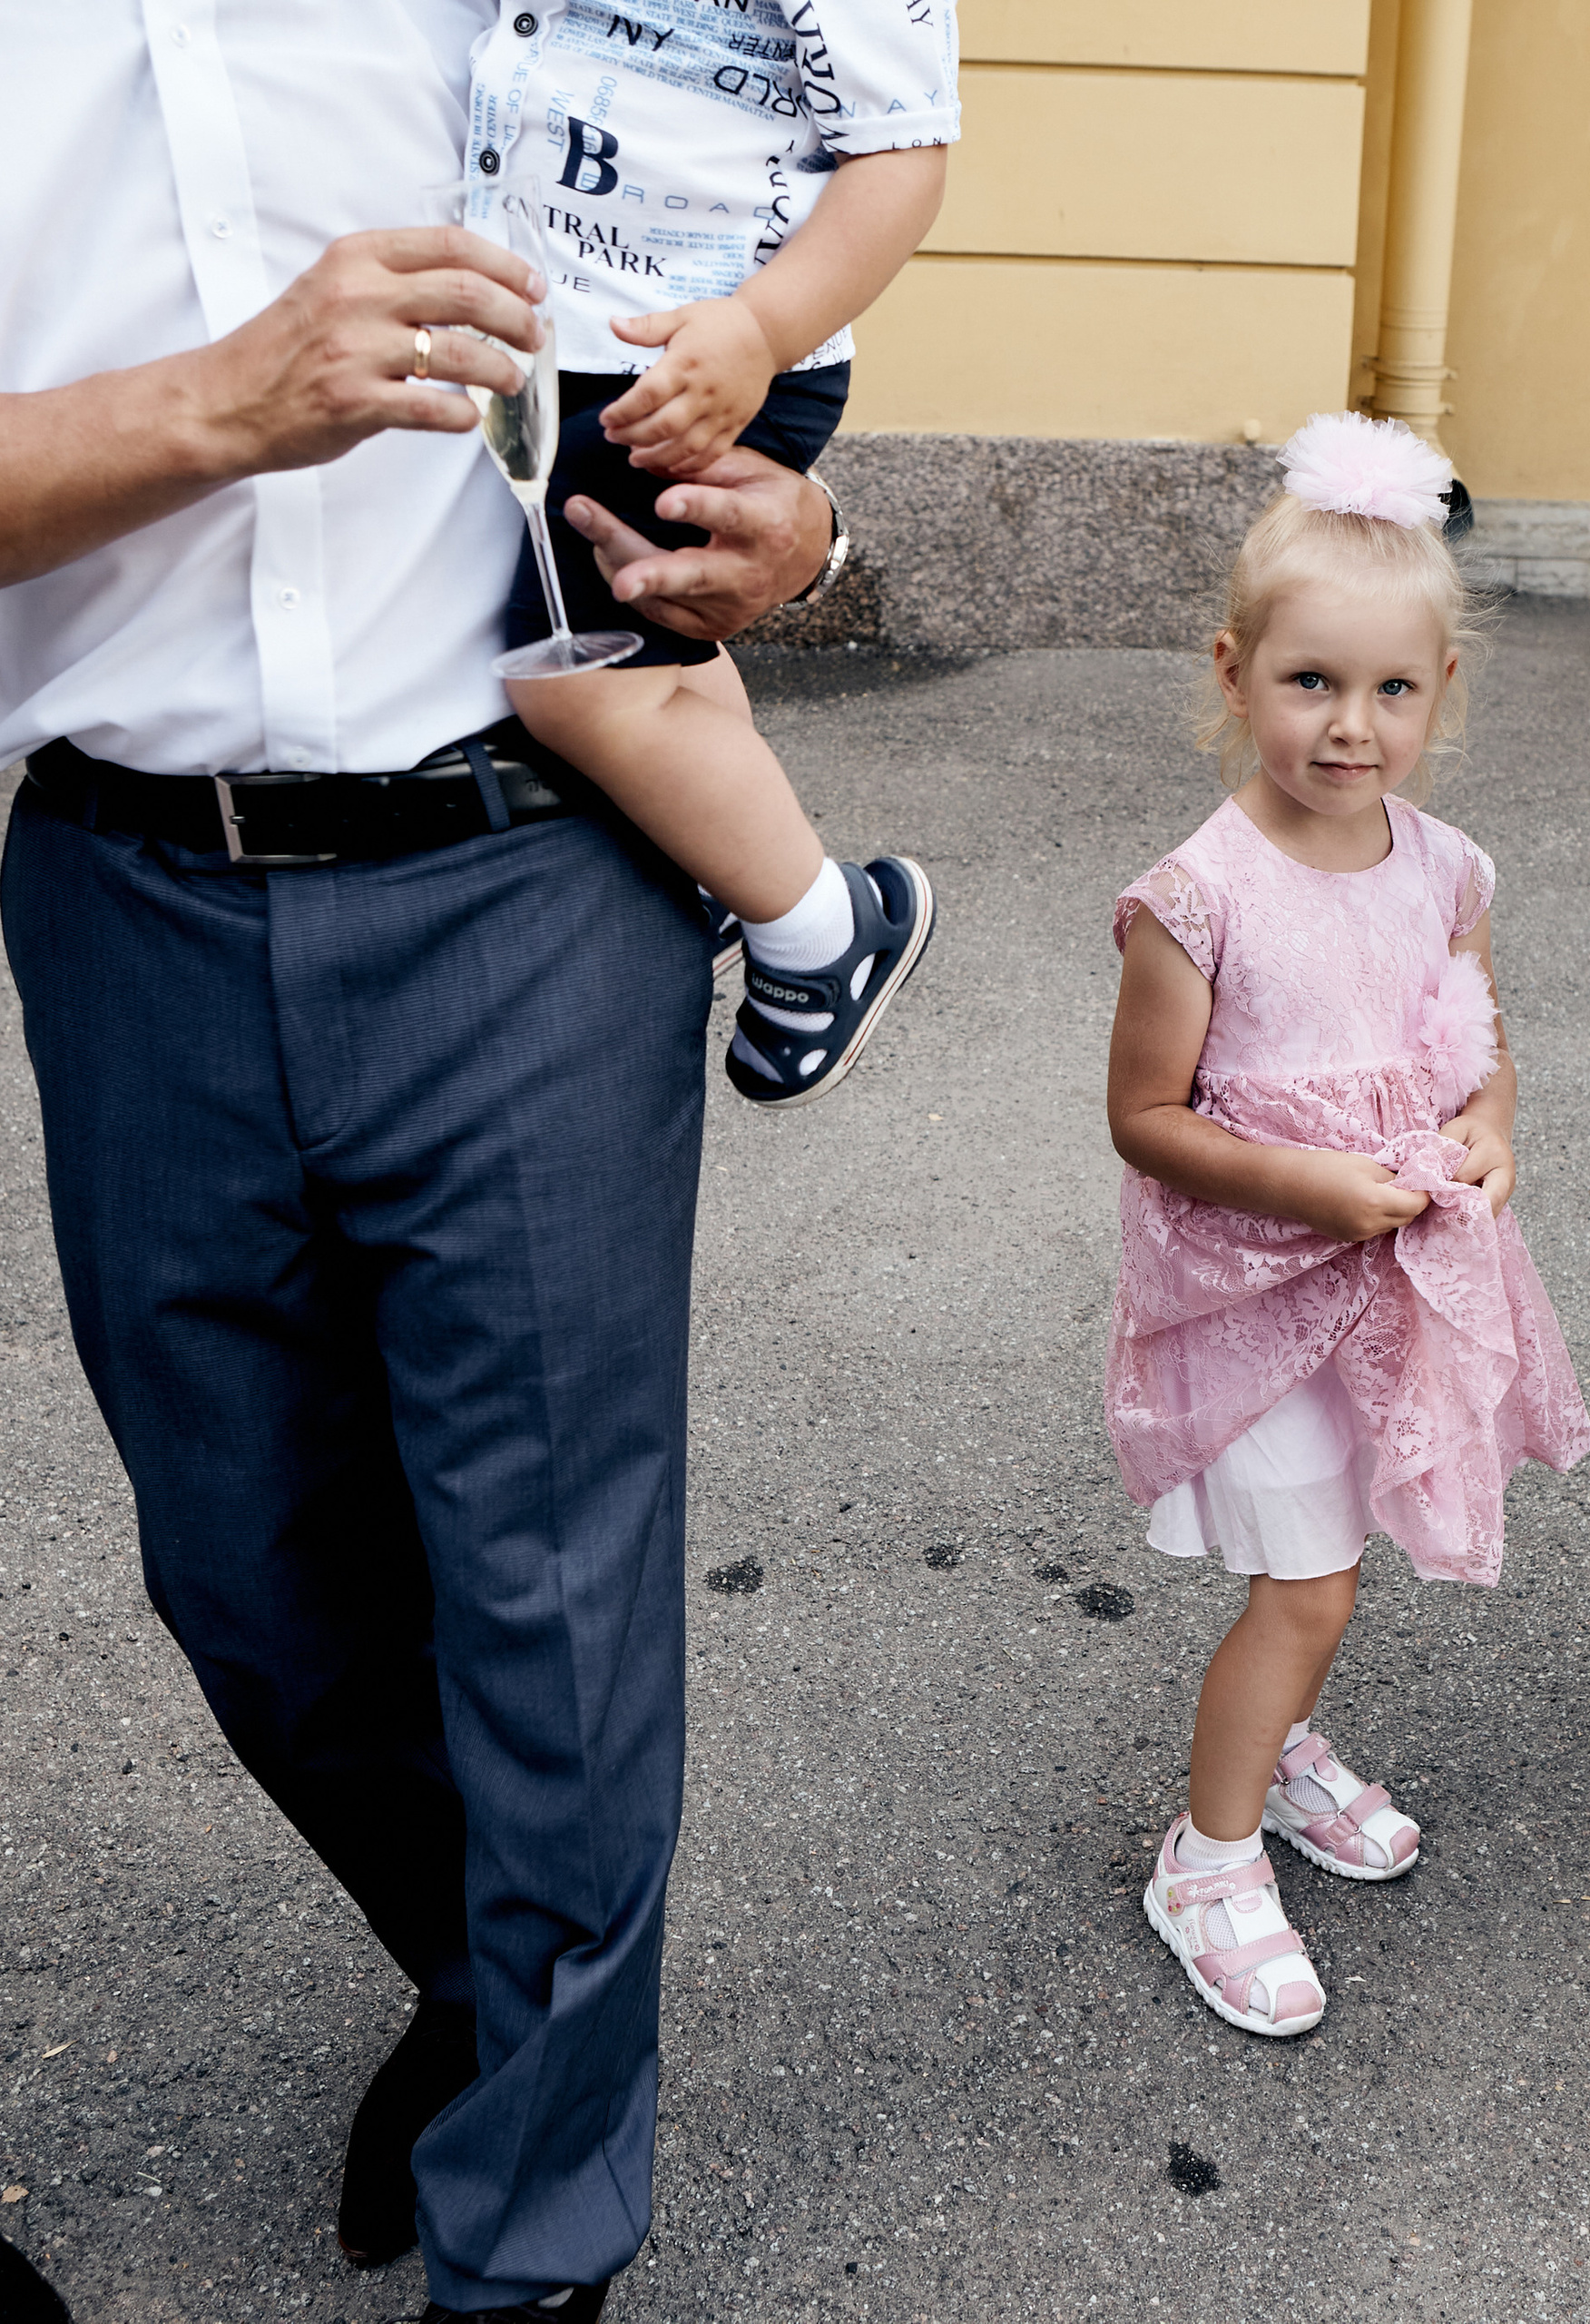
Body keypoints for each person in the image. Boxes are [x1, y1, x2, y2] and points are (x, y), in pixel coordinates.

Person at [1, 14, 843, 2319]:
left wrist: (792, 509)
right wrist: (218, 401)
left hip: (531, 866)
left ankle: (533, 2224)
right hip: (121, 881)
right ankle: (492, 1984)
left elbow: (739, 228)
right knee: (249, 1574)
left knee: (551, 1604)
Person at [1104, 413, 1590, 2037]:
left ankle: (1281, 1738)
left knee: (1336, 1562)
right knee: (1307, 1583)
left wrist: (1494, 1130)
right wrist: (1314, 1183)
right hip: (1254, 1287)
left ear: (1441, 689)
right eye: (1311, 682)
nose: (1350, 725)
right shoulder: (1198, 895)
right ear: (1236, 671)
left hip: (1398, 1281)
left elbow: (1482, 1038)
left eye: (1392, 689)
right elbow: (1148, 1118)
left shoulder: (1448, 869)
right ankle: (1211, 1853)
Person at [468, 2, 955, 1108]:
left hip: (701, 352)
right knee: (661, 659)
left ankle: (821, 928)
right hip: (575, 335)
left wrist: (761, 330)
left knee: (576, 686)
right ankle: (730, 861)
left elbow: (905, 157)